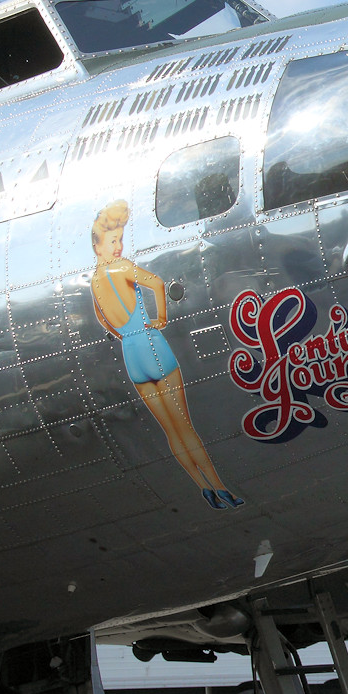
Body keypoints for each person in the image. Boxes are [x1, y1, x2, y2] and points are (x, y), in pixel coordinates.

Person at [89, 200, 244, 509]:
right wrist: (159, 319)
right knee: (185, 425)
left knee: (171, 431)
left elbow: (103, 320)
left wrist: (126, 335)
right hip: (152, 344)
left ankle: (204, 489)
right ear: (99, 245)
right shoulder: (122, 268)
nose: (118, 246)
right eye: (113, 240)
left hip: (132, 355)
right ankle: (221, 487)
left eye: (120, 238)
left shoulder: (94, 282)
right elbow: (157, 282)